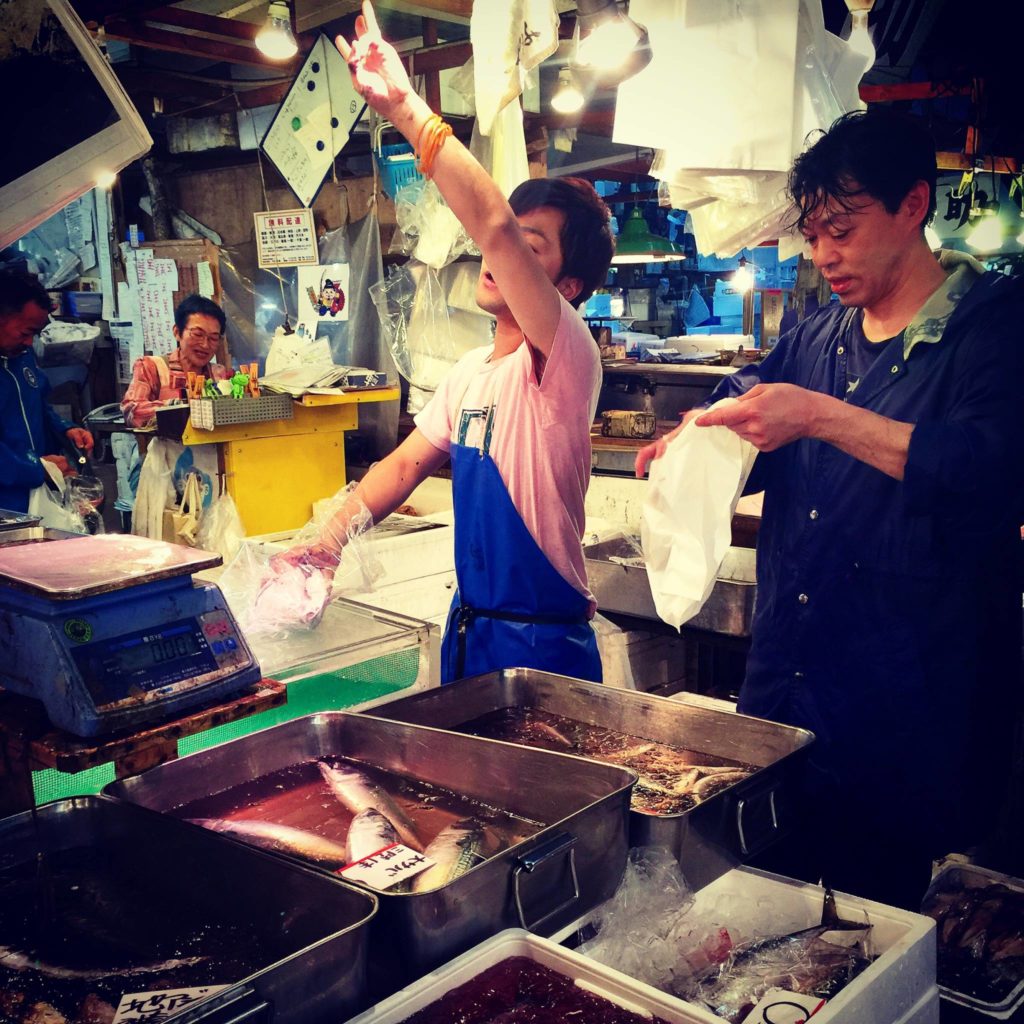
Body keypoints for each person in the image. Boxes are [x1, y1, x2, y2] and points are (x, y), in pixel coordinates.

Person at [637, 108, 1024, 910]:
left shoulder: (994, 329)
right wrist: (700, 442)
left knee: (872, 927)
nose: (824, 255)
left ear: (914, 205)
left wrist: (816, 416)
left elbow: (989, 472)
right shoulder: (818, 336)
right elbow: (748, 405)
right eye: (814, 234)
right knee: (763, 917)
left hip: (905, 714)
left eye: (842, 229)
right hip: (786, 693)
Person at [283, 1, 614, 684]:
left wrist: (406, 107)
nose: (504, 254)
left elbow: (490, 224)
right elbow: (401, 470)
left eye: (532, 247)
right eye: (510, 238)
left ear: (570, 286)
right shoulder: (469, 374)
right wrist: (326, 540)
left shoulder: (563, 358)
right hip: (471, 634)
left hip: (544, 648)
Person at [0, 269, 93, 513]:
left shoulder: (21, 355)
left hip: (37, 500)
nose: (30, 343)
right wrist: (38, 469)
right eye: (25, 332)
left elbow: (38, 405)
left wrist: (65, 428)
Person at [121, 293, 230, 427]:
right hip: (165, 447)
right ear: (177, 332)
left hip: (211, 448)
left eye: (213, 338)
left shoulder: (218, 373)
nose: (205, 345)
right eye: (197, 334)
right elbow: (132, 410)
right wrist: (182, 408)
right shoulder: (151, 366)